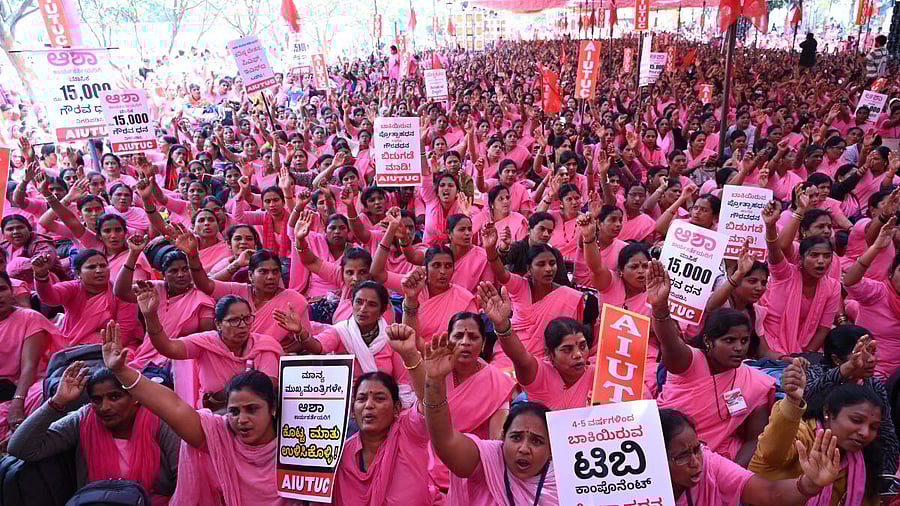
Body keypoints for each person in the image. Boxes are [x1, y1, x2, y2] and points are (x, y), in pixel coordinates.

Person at [95, 320, 289, 505]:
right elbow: (173, 405)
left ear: (272, 408)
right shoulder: (218, 436)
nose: (242, 420)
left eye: (252, 409)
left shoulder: (298, 442)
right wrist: (121, 371)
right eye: (234, 411)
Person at [649, 259, 775, 466]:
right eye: (729, 340)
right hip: (666, 448)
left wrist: (729, 475)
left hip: (719, 458)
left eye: (744, 341)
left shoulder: (754, 382)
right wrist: (660, 307)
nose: (739, 348)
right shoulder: (690, 361)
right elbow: (670, 341)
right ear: (708, 342)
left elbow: (754, 439)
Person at [7, 362, 180, 504]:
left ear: (135, 397)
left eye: (115, 397)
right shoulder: (84, 418)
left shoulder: (160, 420)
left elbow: (182, 478)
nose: (104, 407)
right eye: (97, 400)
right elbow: (19, 449)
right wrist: (56, 402)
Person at [423, 328, 557, 505]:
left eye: (537, 441)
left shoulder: (565, 478)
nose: (524, 449)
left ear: (551, 452)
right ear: (502, 438)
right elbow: (444, 441)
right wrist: (434, 381)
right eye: (516, 437)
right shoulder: (489, 461)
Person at [749, 360, 884, 505]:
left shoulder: (864, 459)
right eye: (856, 420)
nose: (865, 433)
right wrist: (792, 402)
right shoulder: (801, 436)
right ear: (828, 413)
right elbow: (772, 454)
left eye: (873, 427)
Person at [331, 324, 435, 505]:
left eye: (379, 399)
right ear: (352, 410)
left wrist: (410, 355)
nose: (369, 405)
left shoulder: (408, 433)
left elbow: (430, 403)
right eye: (361, 399)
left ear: (396, 408)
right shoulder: (340, 453)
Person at [135, 286, 282, 411]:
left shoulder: (264, 346)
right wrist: (150, 316)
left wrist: (223, 395)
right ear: (218, 324)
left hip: (255, 418)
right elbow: (167, 348)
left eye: (246, 318)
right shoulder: (206, 342)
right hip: (213, 416)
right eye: (234, 320)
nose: (243, 325)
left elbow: (266, 389)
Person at [661, 407, 844, 506]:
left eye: (696, 449)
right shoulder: (635, 486)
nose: (695, 462)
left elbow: (770, 493)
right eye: (682, 456)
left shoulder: (708, 463)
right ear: (657, 459)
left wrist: (810, 483)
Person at [804, 326, 898, 474]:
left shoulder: (873, 385)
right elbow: (807, 399)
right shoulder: (815, 374)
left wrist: (884, 478)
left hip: (861, 465)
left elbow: (887, 436)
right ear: (836, 359)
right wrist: (846, 370)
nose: (873, 359)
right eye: (862, 353)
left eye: (873, 352)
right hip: (812, 460)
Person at [760, 199, 840, 353]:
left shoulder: (833, 287)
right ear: (801, 259)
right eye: (814, 255)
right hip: (770, 343)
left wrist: (805, 356)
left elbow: (823, 329)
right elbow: (775, 251)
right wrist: (770, 226)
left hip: (805, 350)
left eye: (826, 256)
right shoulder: (785, 273)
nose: (821, 261)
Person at [32, 249, 127, 354]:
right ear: (77, 274)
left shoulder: (121, 292)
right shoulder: (73, 288)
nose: (99, 270)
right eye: (91, 267)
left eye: (103, 266)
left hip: (110, 348)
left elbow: (125, 332)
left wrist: (93, 343)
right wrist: (41, 276)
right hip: (70, 346)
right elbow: (50, 298)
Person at [0, 271, 59, 437]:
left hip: (26, 386)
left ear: (12, 292)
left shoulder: (29, 318)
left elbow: (29, 366)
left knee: (40, 395)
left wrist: (17, 403)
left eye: (2, 289)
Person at [842, 218, 900, 376]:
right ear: (890, 273)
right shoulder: (878, 292)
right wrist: (876, 247)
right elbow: (850, 282)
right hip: (870, 371)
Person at [399, 250, 478, 341]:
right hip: (412, 351)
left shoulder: (464, 299)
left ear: (454, 269)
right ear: (425, 268)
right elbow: (379, 274)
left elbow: (472, 338)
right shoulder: (414, 288)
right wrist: (411, 298)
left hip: (451, 353)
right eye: (436, 265)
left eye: (448, 266)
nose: (442, 271)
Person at [497, 211, 570, 287]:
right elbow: (498, 264)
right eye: (542, 229)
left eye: (550, 231)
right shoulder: (518, 247)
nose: (546, 235)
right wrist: (504, 247)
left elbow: (563, 284)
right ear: (529, 230)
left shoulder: (555, 253)